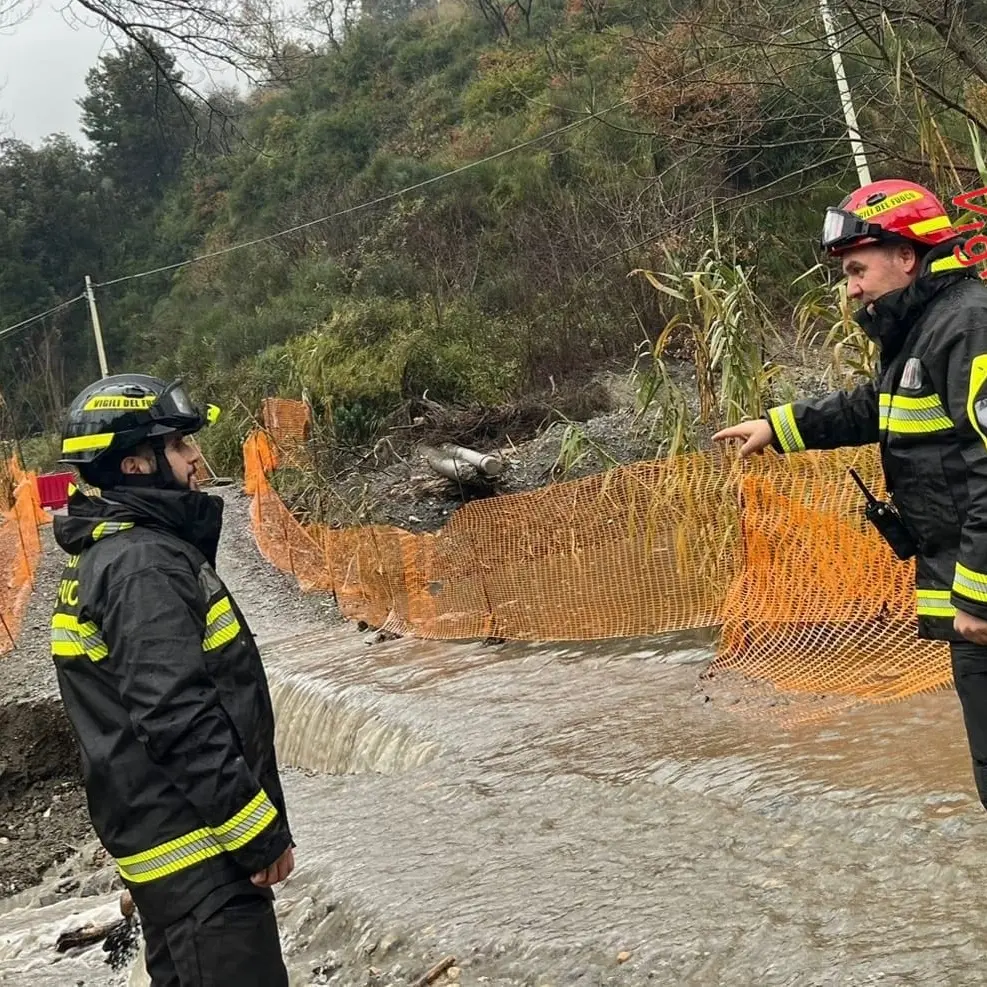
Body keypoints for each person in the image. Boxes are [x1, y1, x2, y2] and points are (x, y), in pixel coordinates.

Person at [713, 177, 987, 808]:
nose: (852, 289)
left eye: (858, 270)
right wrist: (782, 426)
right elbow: (878, 405)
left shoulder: (968, 324)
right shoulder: (924, 328)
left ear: (907, 255)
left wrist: (979, 594)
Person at [50, 373, 295, 986]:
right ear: (135, 464)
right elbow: (176, 715)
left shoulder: (110, 557)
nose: (195, 458)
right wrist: (258, 835)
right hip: (203, 864)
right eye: (179, 445)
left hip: (171, 863)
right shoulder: (143, 566)